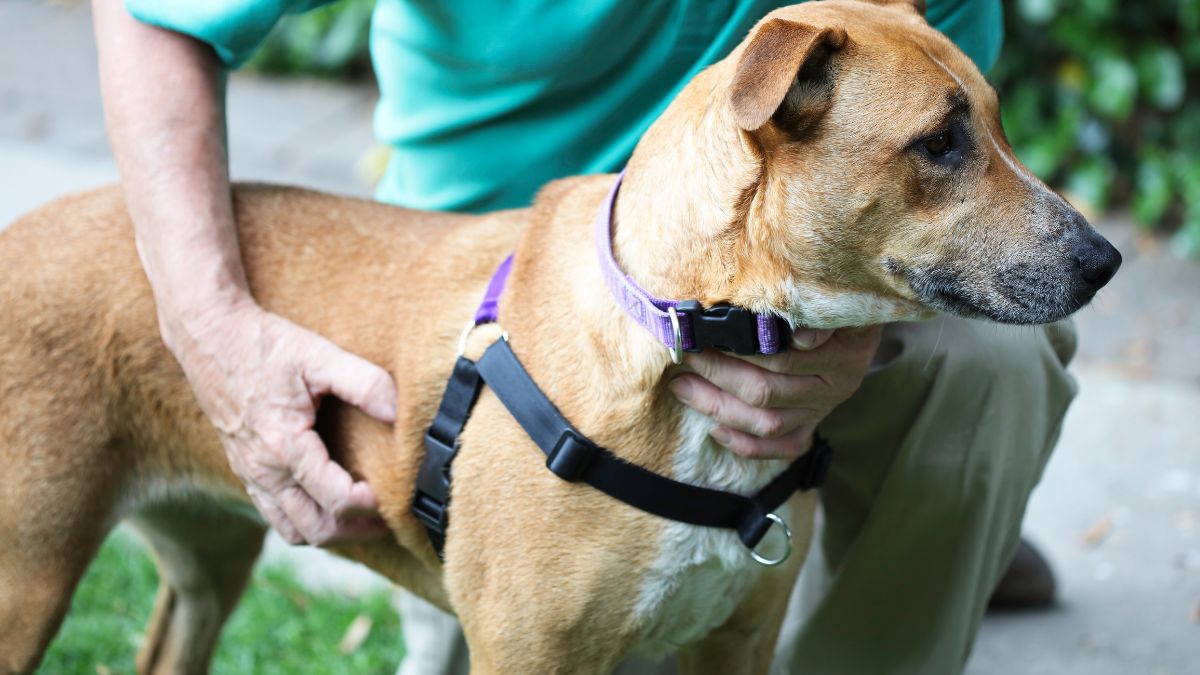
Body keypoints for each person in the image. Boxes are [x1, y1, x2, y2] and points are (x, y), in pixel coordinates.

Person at [91, 0, 1072, 672]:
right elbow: (154, 18)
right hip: (483, 294)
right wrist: (208, 326)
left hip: (786, 262)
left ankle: (928, 517)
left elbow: (930, 121)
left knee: (995, 361)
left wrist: (845, 341)